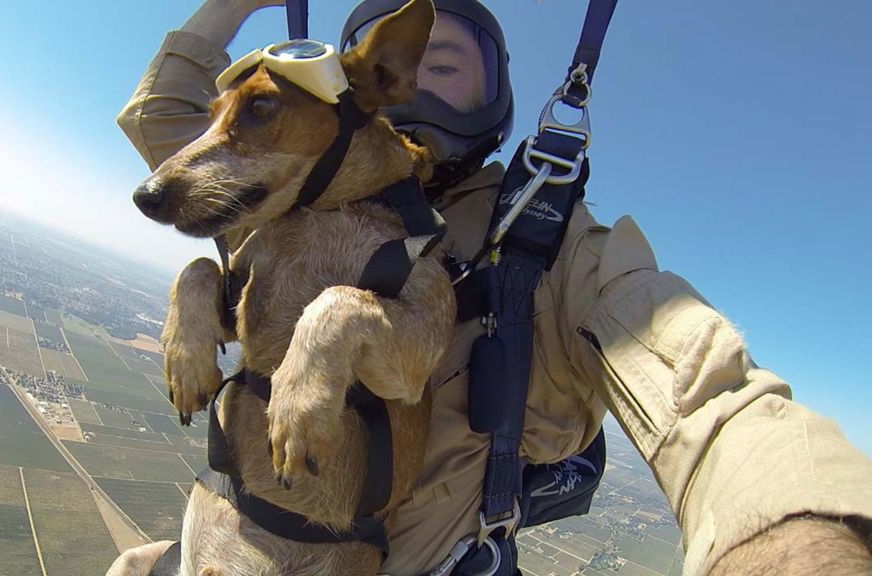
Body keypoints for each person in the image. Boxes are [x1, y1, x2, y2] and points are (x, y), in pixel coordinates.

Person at [115, 0, 872, 574]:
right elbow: (168, 124)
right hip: (214, 533)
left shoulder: (546, 242)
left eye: (444, 64)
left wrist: (795, 534)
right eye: (384, 66)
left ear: (494, 96)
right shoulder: (285, 185)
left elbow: (706, 392)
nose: (413, 84)